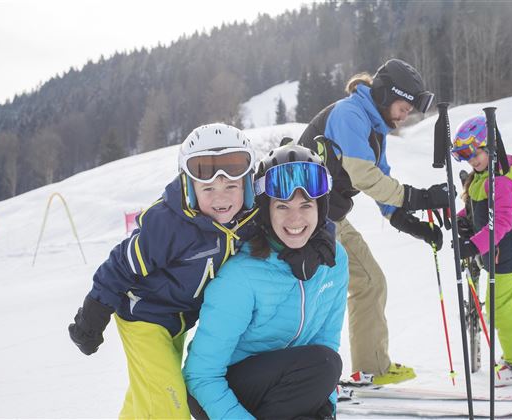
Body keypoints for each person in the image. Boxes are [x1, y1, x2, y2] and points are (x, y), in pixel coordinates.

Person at [68, 123, 259, 419]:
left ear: (246, 186)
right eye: (208, 188)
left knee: (148, 396)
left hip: (177, 322)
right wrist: (93, 313)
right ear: (189, 188)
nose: (221, 198)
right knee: (170, 403)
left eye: (231, 187)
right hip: (143, 317)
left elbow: (287, 207)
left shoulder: (243, 221)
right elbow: (122, 263)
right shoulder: (169, 224)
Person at [298, 58, 449, 384]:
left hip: (327, 217)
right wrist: (417, 197)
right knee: (318, 295)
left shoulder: (375, 128)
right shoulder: (350, 114)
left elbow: (381, 177)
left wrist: (405, 219)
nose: (406, 113)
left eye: (410, 108)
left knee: (369, 282)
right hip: (297, 220)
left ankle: (370, 369)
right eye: (403, 104)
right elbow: (363, 175)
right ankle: (305, 376)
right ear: (383, 94)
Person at [183, 144, 349, 419]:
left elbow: (326, 340)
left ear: (320, 207)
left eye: (305, 205)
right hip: (219, 394)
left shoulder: (334, 262)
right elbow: (200, 375)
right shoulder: (243, 274)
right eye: (282, 206)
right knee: (325, 365)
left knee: (324, 366)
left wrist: (326, 407)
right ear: (266, 211)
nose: (295, 218)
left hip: (286, 388)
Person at [452, 115, 512, 387]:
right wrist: (461, 219)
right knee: (510, 301)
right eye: (465, 156)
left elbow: (501, 221)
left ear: (489, 145)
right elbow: (477, 207)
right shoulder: (481, 176)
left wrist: (473, 244)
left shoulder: (499, 180)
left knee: (499, 307)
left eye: (475, 152)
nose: (472, 160)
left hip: (505, 252)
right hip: (500, 251)